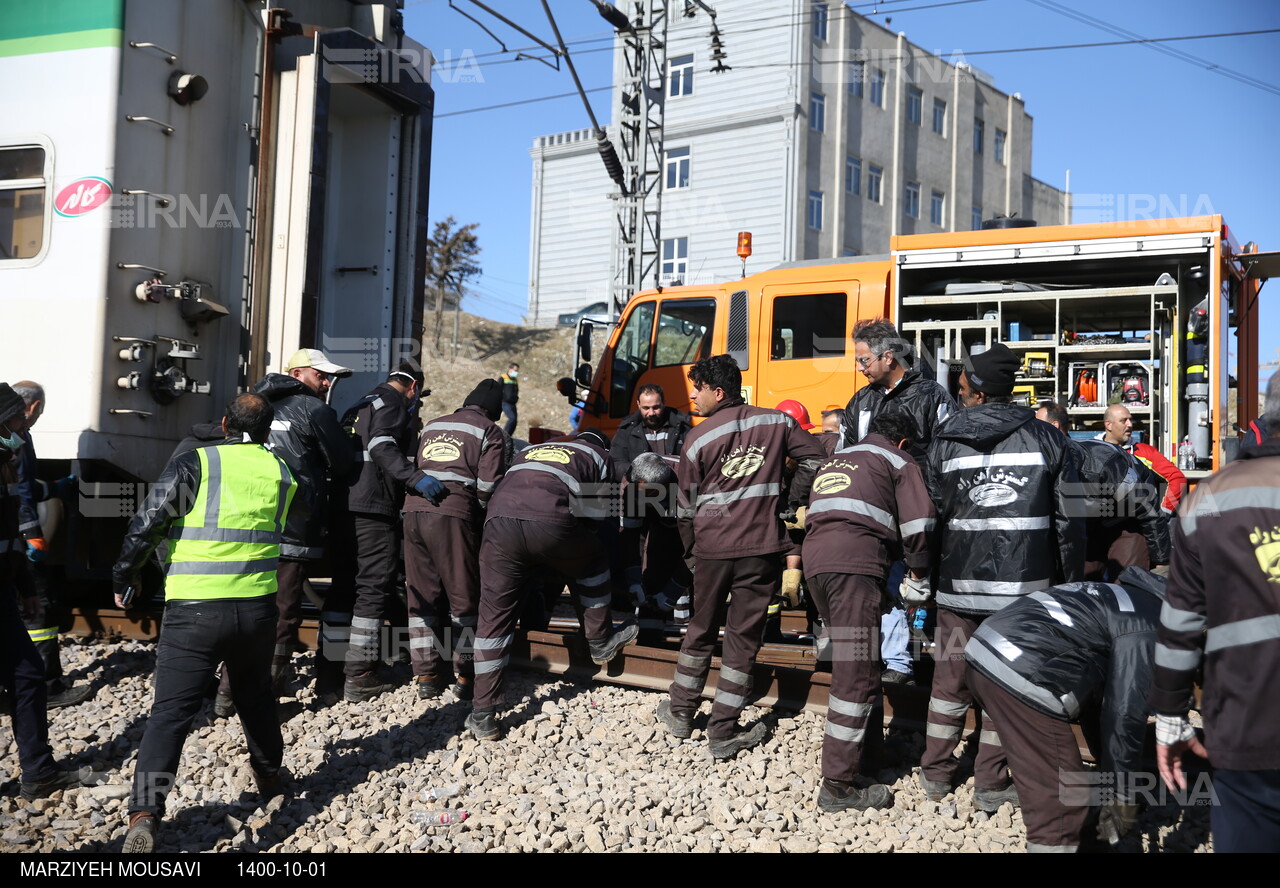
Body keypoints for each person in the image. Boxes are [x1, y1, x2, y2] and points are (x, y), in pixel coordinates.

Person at [112, 394, 298, 853]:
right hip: (255, 608)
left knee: (171, 713)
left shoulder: (197, 462)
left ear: (222, 423)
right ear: (267, 426)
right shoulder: (281, 470)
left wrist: (125, 574)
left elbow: (148, 522)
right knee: (255, 696)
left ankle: (145, 813)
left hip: (195, 607)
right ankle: (270, 778)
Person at [920, 342, 1084, 810]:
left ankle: (935, 775)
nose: (957, 385)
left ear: (975, 388)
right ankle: (990, 785)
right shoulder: (1051, 441)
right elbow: (1071, 525)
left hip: (957, 590)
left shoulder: (944, 441)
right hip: (1021, 595)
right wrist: (1069, 591)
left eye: (962, 379)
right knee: (1004, 686)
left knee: (948, 684)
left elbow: (931, 516)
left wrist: (927, 579)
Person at [657, 355, 827, 759]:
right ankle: (723, 730)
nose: (692, 396)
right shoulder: (778, 422)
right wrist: (791, 502)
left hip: (713, 548)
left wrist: (691, 554)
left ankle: (680, 711)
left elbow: (685, 509)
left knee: (700, 628)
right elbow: (816, 458)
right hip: (761, 546)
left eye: (697, 388)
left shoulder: (697, 438)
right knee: (742, 639)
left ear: (719, 392)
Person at [1150, 370, 1280, 853]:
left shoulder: (1208, 501)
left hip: (1247, 725)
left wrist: (1169, 716)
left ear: (1266, 419)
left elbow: (1181, 623)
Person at [966, 568, 1166, 852]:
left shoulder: (1118, 595)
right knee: (1062, 806)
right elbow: (1124, 716)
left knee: (1062, 784)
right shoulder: (1149, 626)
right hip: (1023, 671)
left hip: (982, 651)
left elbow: (1102, 709)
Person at [467, 429, 639, 740]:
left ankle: (483, 713)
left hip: (498, 524)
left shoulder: (531, 450)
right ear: (601, 445)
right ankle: (600, 642)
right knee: (594, 559)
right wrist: (563, 557)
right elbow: (594, 519)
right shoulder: (598, 456)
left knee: (492, 619)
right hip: (550, 521)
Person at [802, 412, 935, 812]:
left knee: (864, 660)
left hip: (818, 565)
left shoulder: (841, 457)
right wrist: (919, 573)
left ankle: (870, 753)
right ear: (904, 442)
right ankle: (838, 784)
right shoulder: (897, 460)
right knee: (856, 670)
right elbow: (921, 522)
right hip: (854, 567)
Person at [837, 319, 956, 686]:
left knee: (927, 585)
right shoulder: (860, 401)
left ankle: (945, 666)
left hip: (923, 512)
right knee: (885, 586)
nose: (860, 369)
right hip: (876, 514)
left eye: (864, 360)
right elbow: (846, 454)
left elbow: (950, 454)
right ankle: (897, 663)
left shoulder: (932, 396)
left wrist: (937, 505)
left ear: (888, 357)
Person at [324, 363, 445, 703]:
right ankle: (359, 674)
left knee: (343, 589)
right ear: (414, 387)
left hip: (344, 506)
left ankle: (329, 670)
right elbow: (381, 446)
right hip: (373, 507)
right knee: (373, 589)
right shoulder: (392, 403)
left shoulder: (359, 405)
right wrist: (414, 477)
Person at [248, 349, 354, 697]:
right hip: (292, 528)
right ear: (296, 373)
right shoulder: (314, 409)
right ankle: (271, 694)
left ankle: (227, 694)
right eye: (320, 375)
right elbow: (343, 464)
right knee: (284, 612)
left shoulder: (253, 405)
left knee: (244, 606)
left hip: (247, 526)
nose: (326, 382)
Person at [0, 383, 84, 801]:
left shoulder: (6, 462)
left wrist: (24, 587)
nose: (22, 428)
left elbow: (10, 529)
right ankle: (37, 772)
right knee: (27, 674)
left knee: (27, 674)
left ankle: (38, 772)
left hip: (5, 586)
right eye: (16, 421)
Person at [403, 379, 508, 701]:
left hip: (412, 513)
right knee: (463, 599)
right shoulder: (489, 430)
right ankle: (465, 676)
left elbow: (414, 466)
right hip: (452, 516)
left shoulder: (434, 424)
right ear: (494, 410)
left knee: (421, 596)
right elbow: (488, 486)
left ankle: (426, 675)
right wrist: (475, 515)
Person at [10, 381, 89, 709]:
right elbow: (18, 493)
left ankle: (11, 686)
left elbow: (26, 486)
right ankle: (48, 686)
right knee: (37, 605)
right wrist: (32, 533)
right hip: (15, 537)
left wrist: (55, 488)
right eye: (39, 411)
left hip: (8, 535)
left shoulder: (14, 434)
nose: (38, 417)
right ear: (31, 407)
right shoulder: (16, 438)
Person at [1036, 400, 1169, 579]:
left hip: (1129, 517)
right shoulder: (1046, 471)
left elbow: (1148, 511)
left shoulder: (1104, 467)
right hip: (1094, 520)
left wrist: (1162, 561)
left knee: (1128, 580)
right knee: (1080, 582)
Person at [1099, 404, 1187, 515]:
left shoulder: (1144, 451)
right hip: (1101, 523)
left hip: (1137, 524)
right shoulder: (1091, 451)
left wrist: (1165, 511)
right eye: (1123, 421)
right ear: (1109, 425)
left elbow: (1177, 477)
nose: (1130, 425)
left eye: (1131, 420)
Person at [609, 384, 693, 479]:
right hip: (637, 489)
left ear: (664, 403)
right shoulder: (626, 430)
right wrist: (640, 475)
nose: (651, 413)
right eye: (646, 408)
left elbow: (693, 463)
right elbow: (616, 463)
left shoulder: (682, 428)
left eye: (656, 407)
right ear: (638, 404)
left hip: (674, 489)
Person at [500, 362, 520, 436]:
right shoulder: (503, 377)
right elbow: (498, 388)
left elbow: (516, 390)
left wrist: (516, 398)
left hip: (513, 403)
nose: (516, 372)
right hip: (505, 402)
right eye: (515, 370)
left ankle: (508, 436)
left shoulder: (515, 380)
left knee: (515, 421)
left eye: (517, 371)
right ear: (510, 369)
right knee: (512, 418)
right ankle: (504, 435)